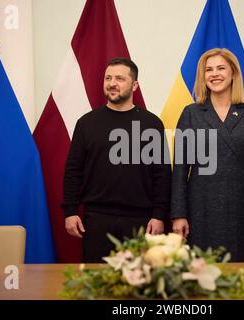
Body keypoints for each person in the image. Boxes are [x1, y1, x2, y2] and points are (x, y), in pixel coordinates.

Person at [170, 48, 244, 262]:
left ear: (233, 73)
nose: (214, 74)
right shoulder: (191, 114)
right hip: (202, 207)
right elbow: (180, 170)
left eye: (221, 68)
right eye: (208, 70)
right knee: (202, 276)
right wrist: (178, 214)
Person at [61, 57, 171, 262]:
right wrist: (70, 210)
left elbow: (162, 174)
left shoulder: (151, 124)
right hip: (96, 220)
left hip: (141, 221)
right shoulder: (86, 123)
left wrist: (159, 215)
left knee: (139, 286)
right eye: (108, 78)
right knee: (96, 286)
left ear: (135, 85)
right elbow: (73, 170)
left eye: (120, 78)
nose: (112, 83)